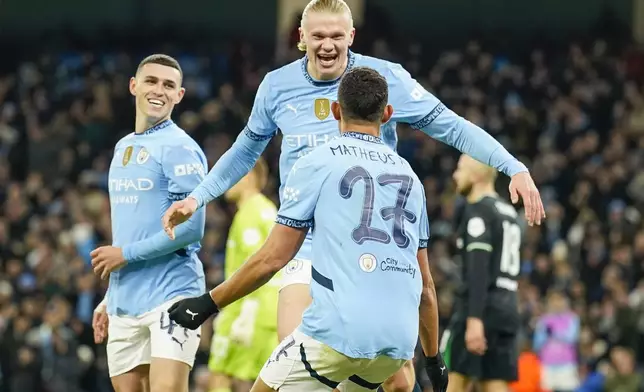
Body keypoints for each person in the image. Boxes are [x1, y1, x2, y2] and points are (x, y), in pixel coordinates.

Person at [163, 0, 545, 390]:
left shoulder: (382, 79)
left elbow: (451, 125)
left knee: (397, 382)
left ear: (351, 37)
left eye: (335, 36)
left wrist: (512, 165)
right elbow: (245, 150)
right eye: (317, 36)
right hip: (305, 242)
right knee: (295, 357)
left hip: (369, 244)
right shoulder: (277, 86)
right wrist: (198, 197)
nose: (327, 45)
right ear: (301, 39)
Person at [167, 66, 449, 392]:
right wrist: (433, 359)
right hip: (397, 342)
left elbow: (274, 258)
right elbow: (426, 285)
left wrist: (207, 303)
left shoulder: (318, 161)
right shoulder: (412, 180)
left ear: (335, 110)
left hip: (339, 330)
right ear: (387, 114)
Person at [90, 54, 208, 392]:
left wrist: (125, 254)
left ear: (179, 95)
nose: (159, 91)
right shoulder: (122, 148)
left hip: (173, 294)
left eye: (169, 85)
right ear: (133, 86)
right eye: (151, 81)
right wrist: (110, 296)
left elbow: (191, 228)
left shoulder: (181, 148)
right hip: (125, 300)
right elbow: (130, 228)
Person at [442, 155, 522, 392]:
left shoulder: (478, 211)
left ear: (476, 175)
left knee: (454, 382)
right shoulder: (507, 211)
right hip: (506, 308)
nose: (455, 176)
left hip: (479, 309)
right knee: (494, 384)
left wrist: (474, 319)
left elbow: (479, 269)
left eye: (460, 169)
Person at [208, 158, 280, 392]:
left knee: (219, 376)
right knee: (267, 382)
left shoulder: (250, 213)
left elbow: (256, 263)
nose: (226, 181)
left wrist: (246, 312)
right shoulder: (268, 209)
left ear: (247, 176)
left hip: (247, 310)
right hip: (271, 312)